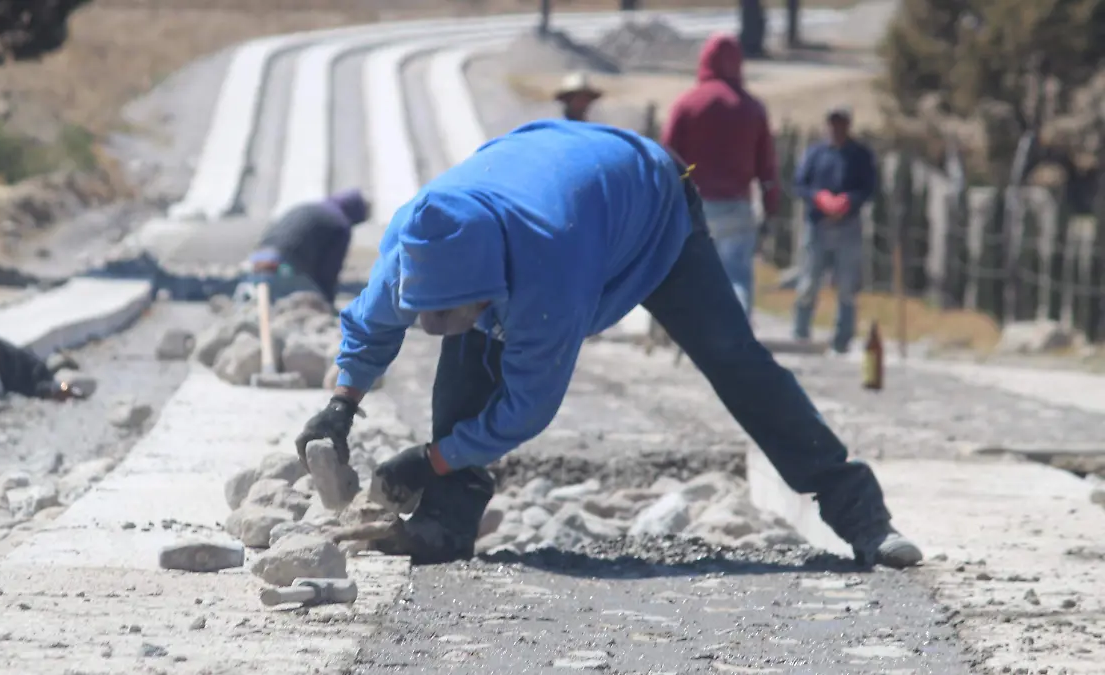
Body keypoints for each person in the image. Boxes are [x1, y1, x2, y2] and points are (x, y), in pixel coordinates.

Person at [293, 119, 921, 570]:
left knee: (734, 360)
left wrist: (428, 460)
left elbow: (527, 407)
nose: (438, 324)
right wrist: (341, 404)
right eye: (428, 313)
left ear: (489, 284)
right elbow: (372, 325)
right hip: (547, 175)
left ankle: (861, 515)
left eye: (453, 311)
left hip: (650, 205)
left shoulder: (548, 276)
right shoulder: (417, 242)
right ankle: (446, 526)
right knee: (468, 355)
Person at [661, 33, 778, 318]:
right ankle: (738, 343)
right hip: (737, 205)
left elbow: (666, 157)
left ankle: (690, 340)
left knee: (690, 274)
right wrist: (771, 209)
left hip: (694, 206)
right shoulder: (752, 108)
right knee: (736, 275)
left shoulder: (687, 105)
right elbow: (768, 169)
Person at [792, 106, 877, 353]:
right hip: (817, 225)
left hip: (848, 225)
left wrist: (848, 201)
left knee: (848, 284)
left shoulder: (860, 155)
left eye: (841, 123)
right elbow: (799, 184)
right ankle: (800, 333)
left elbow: (869, 187)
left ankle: (843, 339)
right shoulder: (815, 153)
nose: (836, 128)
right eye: (832, 123)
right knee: (809, 280)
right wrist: (819, 198)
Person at [246, 188, 370, 305]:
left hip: (257, 259)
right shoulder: (340, 224)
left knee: (260, 295)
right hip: (284, 266)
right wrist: (327, 300)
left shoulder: (309, 208)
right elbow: (328, 271)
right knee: (310, 301)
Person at [0, 330, 86, 401]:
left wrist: (69, 390)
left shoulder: (37, 388)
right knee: (54, 384)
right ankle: (69, 382)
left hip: (33, 370)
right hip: (34, 369)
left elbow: (56, 387)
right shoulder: (36, 385)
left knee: (54, 385)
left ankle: (71, 386)